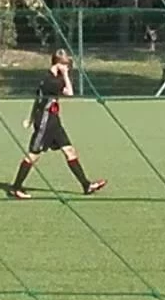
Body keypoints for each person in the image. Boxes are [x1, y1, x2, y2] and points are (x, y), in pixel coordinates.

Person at [7, 49, 106, 200]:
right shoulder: (51, 81)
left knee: (70, 151)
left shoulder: (52, 77)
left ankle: (86, 185)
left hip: (54, 121)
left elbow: (38, 100)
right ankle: (16, 187)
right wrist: (65, 75)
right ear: (58, 63)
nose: (67, 68)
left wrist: (30, 118)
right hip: (45, 122)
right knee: (33, 155)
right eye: (65, 65)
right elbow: (70, 92)